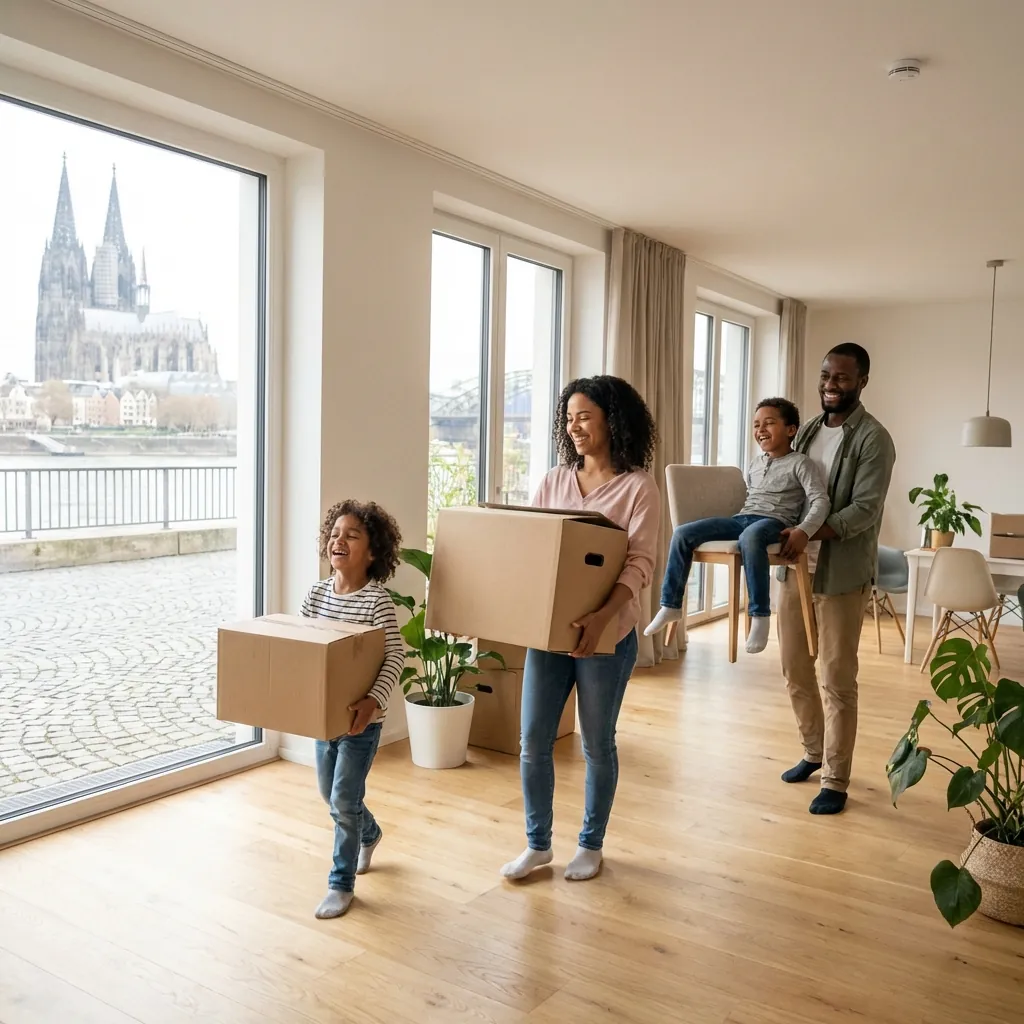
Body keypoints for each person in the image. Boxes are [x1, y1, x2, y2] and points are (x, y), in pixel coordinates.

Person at [500, 375, 660, 883]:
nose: (574, 427)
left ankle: (591, 844)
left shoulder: (639, 488)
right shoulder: (553, 480)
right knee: (532, 740)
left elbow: (639, 565)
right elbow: (531, 548)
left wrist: (602, 618)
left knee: (596, 744)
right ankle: (537, 844)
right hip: (549, 634)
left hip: (606, 637)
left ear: (613, 421)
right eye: (568, 418)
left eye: (584, 416)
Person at [776, 343, 895, 815]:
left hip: (840, 572)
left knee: (836, 678)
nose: (830, 384)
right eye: (826, 375)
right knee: (794, 669)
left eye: (842, 378)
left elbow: (864, 510)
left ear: (862, 381)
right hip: (793, 567)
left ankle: (836, 777)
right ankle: (812, 751)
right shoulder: (804, 431)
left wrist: (806, 533)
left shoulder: (873, 438)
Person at [645, 397, 829, 654]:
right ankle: (671, 605)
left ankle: (760, 616)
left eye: (769, 423)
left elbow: (821, 501)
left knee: (752, 537)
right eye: (756, 425)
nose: (760, 430)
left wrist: (804, 530)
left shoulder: (801, 463)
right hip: (742, 519)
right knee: (683, 533)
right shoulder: (755, 463)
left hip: (775, 522)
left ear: (790, 429)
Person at [300, 499, 405, 918]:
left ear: (373, 552)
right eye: (335, 533)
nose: (338, 540)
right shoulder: (315, 596)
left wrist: (373, 700)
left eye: (352, 535)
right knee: (331, 793)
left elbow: (394, 656)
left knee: (344, 797)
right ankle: (371, 833)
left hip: (362, 721)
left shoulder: (377, 602)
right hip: (325, 718)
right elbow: (303, 650)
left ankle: (341, 883)